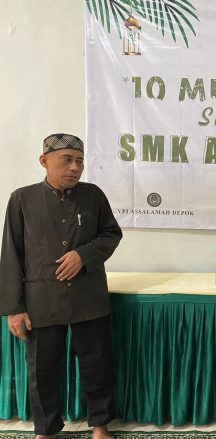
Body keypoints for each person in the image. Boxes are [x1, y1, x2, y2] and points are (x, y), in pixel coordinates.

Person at [0, 134, 123, 439]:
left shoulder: (93, 195)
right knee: (42, 370)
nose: (75, 167)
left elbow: (111, 234)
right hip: (41, 300)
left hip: (88, 296)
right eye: (66, 160)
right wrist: (14, 308)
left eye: (79, 161)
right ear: (44, 161)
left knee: (96, 364)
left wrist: (83, 255)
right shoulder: (22, 199)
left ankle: (100, 425)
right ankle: (46, 430)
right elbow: (11, 254)